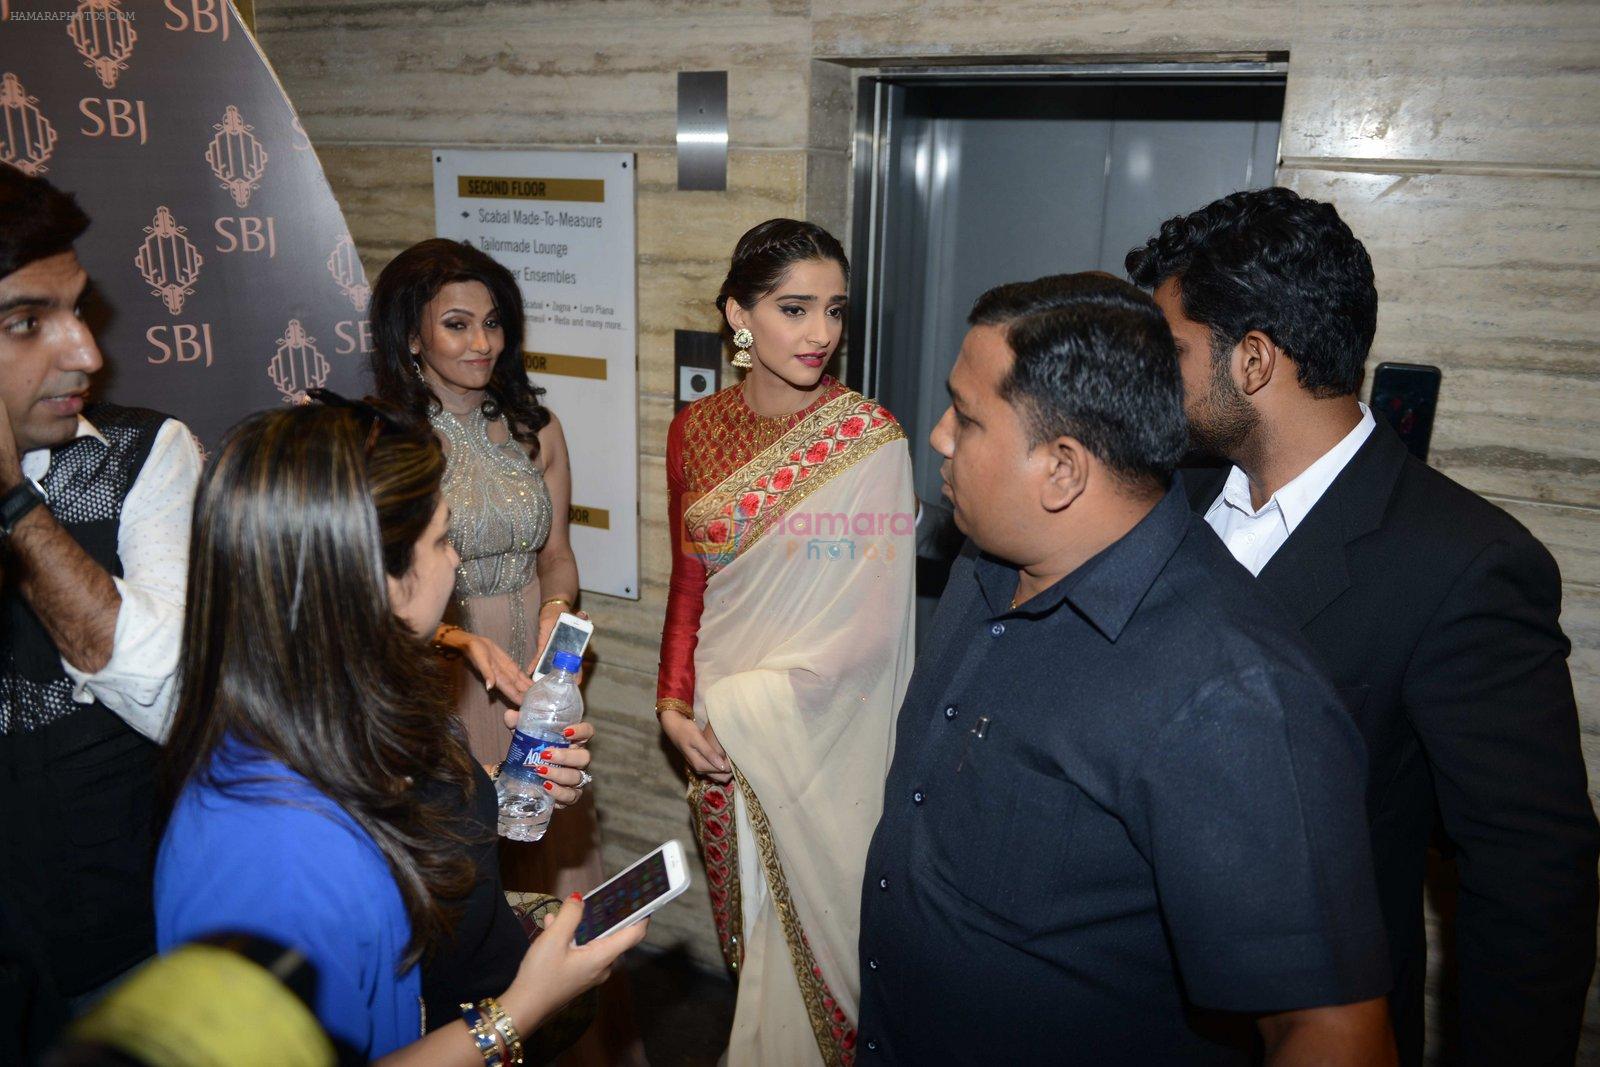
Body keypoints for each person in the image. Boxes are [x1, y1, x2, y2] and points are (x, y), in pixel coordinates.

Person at [857, 273, 1397, 1065]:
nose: (938, 435)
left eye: (968, 419)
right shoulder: (984, 563)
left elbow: (1331, 1031)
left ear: (1063, 470)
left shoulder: (1234, 696)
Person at [1127, 188, 1600, 1066]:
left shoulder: (1464, 561)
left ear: (1255, 360)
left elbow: (1530, 886)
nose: (1155, 377)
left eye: (1175, 351)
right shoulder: (1165, 498)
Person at [154, 402, 644, 1064]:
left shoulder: (358, 695)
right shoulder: (272, 852)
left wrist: (513, 789)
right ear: (372, 580)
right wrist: (521, 1010)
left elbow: (399, 832)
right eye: (443, 540)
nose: (458, 561)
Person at [656, 218, 917, 1065]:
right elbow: (689, 581)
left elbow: (874, 633)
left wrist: (746, 705)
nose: (820, 334)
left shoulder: (868, 439)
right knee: (750, 947)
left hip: (812, 736)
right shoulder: (693, 430)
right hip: (715, 732)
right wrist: (673, 704)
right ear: (739, 313)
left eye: (834, 311)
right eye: (794, 309)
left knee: (820, 950)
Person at [0, 166, 202, 1055]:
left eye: (76, 309)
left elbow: (172, 693)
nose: (84, 350)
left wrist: (12, 501)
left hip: (120, 947)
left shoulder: (143, 455)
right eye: (27, 322)